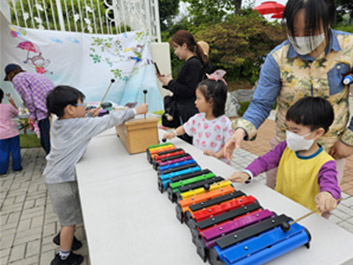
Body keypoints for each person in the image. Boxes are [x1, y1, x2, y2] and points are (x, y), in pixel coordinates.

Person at [224, 0, 353, 188]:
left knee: (320, 205)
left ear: (327, 22)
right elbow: (261, 103)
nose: (300, 37)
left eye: (309, 31)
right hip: (286, 148)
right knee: (278, 200)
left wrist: (349, 139)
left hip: (330, 151)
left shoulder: (349, 49)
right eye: (293, 30)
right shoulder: (277, 58)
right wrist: (241, 130)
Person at [43, 85, 148, 265]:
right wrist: (135, 111)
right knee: (68, 221)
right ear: (69, 109)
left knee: (68, 213)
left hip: (55, 177)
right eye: (81, 104)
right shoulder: (79, 125)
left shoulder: (58, 121)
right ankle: (63, 256)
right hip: (61, 181)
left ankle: (65, 238)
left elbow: (79, 124)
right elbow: (108, 121)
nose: (86, 106)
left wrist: (87, 115)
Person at [227, 97, 341, 215]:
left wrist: (327, 195)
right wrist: (247, 173)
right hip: (279, 207)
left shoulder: (326, 163)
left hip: (303, 217)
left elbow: (331, 185)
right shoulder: (285, 147)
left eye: (295, 131)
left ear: (318, 133)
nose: (290, 135)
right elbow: (264, 161)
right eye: (288, 129)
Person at [163, 70, 234, 161]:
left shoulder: (224, 123)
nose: (195, 102)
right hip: (199, 161)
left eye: (199, 99)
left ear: (211, 101)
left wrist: (215, 156)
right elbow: (184, 128)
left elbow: (229, 146)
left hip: (217, 165)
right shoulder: (197, 118)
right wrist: (173, 134)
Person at [157, 30, 208, 144]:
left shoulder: (193, 63)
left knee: (188, 144)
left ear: (184, 46)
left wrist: (170, 83)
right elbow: (185, 87)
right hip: (185, 110)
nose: (175, 52)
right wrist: (167, 82)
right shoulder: (190, 62)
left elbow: (189, 91)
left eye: (175, 48)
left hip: (187, 111)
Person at [4, 63, 54, 154]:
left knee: (47, 143)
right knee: (54, 140)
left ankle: (55, 165)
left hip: (43, 112)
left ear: (10, 74)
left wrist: (32, 115)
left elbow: (28, 98)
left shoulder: (17, 79)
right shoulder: (32, 75)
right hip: (52, 108)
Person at [0, 89, 22, 174]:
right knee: (15, 150)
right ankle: (17, 167)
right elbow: (17, 113)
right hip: (12, 132)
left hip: (1, 135)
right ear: (2, 96)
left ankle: (2, 171)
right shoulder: (7, 106)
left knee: (2, 152)